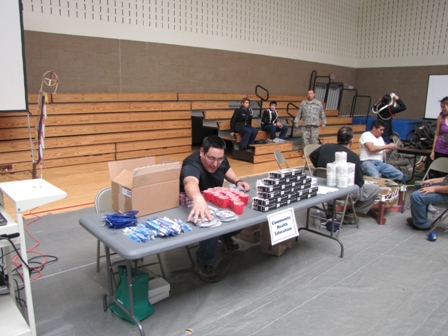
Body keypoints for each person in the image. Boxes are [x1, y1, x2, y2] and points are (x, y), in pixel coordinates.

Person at [180, 135, 250, 282]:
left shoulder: (220, 158)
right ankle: (203, 264)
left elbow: (226, 168)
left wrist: (238, 181)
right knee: (210, 226)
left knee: (243, 217)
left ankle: (225, 236)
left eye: (219, 159)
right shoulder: (191, 163)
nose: (215, 164)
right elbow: (189, 181)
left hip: (216, 200)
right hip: (194, 203)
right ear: (201, 152)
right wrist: (198, 197)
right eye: (211, 158)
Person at [309, 126, 380, 214]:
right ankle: (354, 212)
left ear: (337, 138)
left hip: (323, 186)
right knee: (375, 188)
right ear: (351, 141)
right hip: (342, 191)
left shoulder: (325, 147)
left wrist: (321, 167)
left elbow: (312, 155)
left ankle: (332, 207)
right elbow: (359, 183)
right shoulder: (353, 157)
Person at [430, 96, 448, 163]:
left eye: (444, 107)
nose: (442, 109)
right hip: (440, 149)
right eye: (441, 107)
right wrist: (433, 150)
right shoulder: (441, 117)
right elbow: (437, 134)